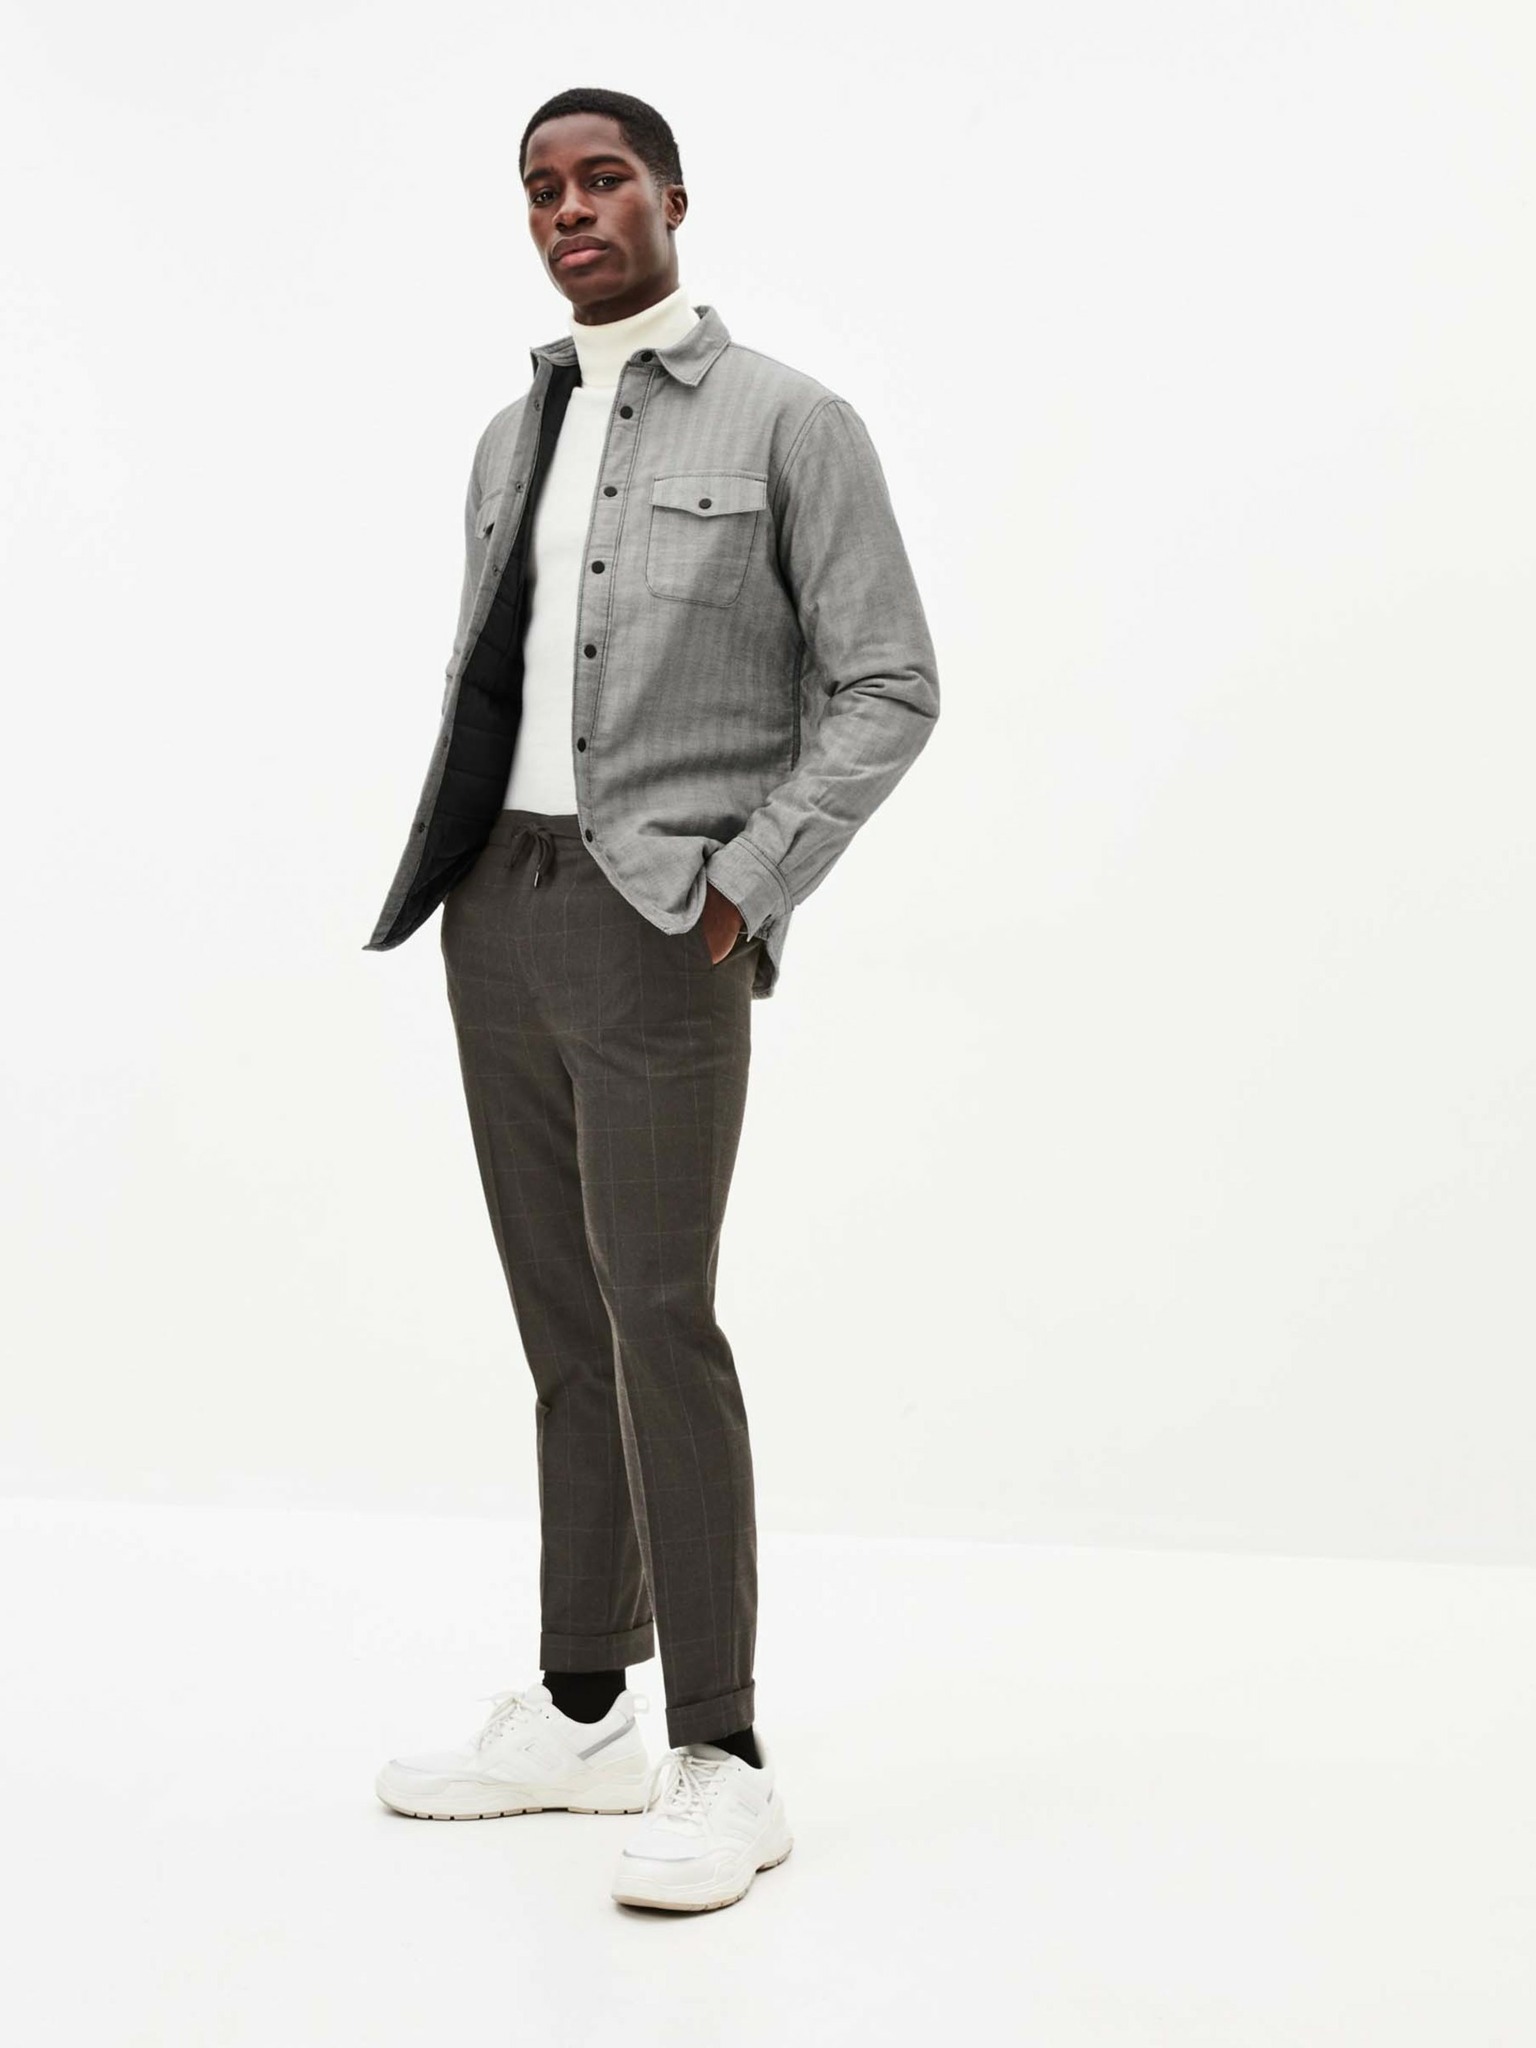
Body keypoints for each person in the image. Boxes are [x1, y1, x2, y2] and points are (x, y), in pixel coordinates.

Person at [365, 85, 939, 1913]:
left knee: (660, 1319)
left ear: (672, 197)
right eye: (541, 186)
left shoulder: (792, 421)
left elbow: (890, 683)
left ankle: (726, 1753)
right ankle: (579, 1710)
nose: (570, 207)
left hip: (659, 919)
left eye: (602, 176)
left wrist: (746, 883)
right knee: (564, 1330)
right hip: (497, 905)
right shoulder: (507, 433)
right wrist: (469, 876)